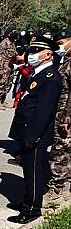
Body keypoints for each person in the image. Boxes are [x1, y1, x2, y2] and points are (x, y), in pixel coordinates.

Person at [8, 36, 62, 224]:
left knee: (34, 173)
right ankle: (27, 201)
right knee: (27, 169)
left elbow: (44, 111)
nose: (31, 55)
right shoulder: (38, 72)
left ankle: (31, 209)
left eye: (36, 51)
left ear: (48, 54)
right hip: (26, 131)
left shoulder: (51, 77)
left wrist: (33, 135)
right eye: (31, 51)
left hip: (36, 135)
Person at [43, 29, 71, 206]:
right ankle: (65, 186)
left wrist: (66, 118)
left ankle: (56, 190)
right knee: (66, 150)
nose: (59, 48)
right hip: (62, 113)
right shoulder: (66, 59)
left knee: (59, 151)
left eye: (61, 44)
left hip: (65, 115)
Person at [0, 31, 17, 110]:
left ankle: (3, 100)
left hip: (10, 66)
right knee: (2, 84)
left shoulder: (12, 42)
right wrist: (0, 69)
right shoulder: (4, 43)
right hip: (4, 67)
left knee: (8, 85)